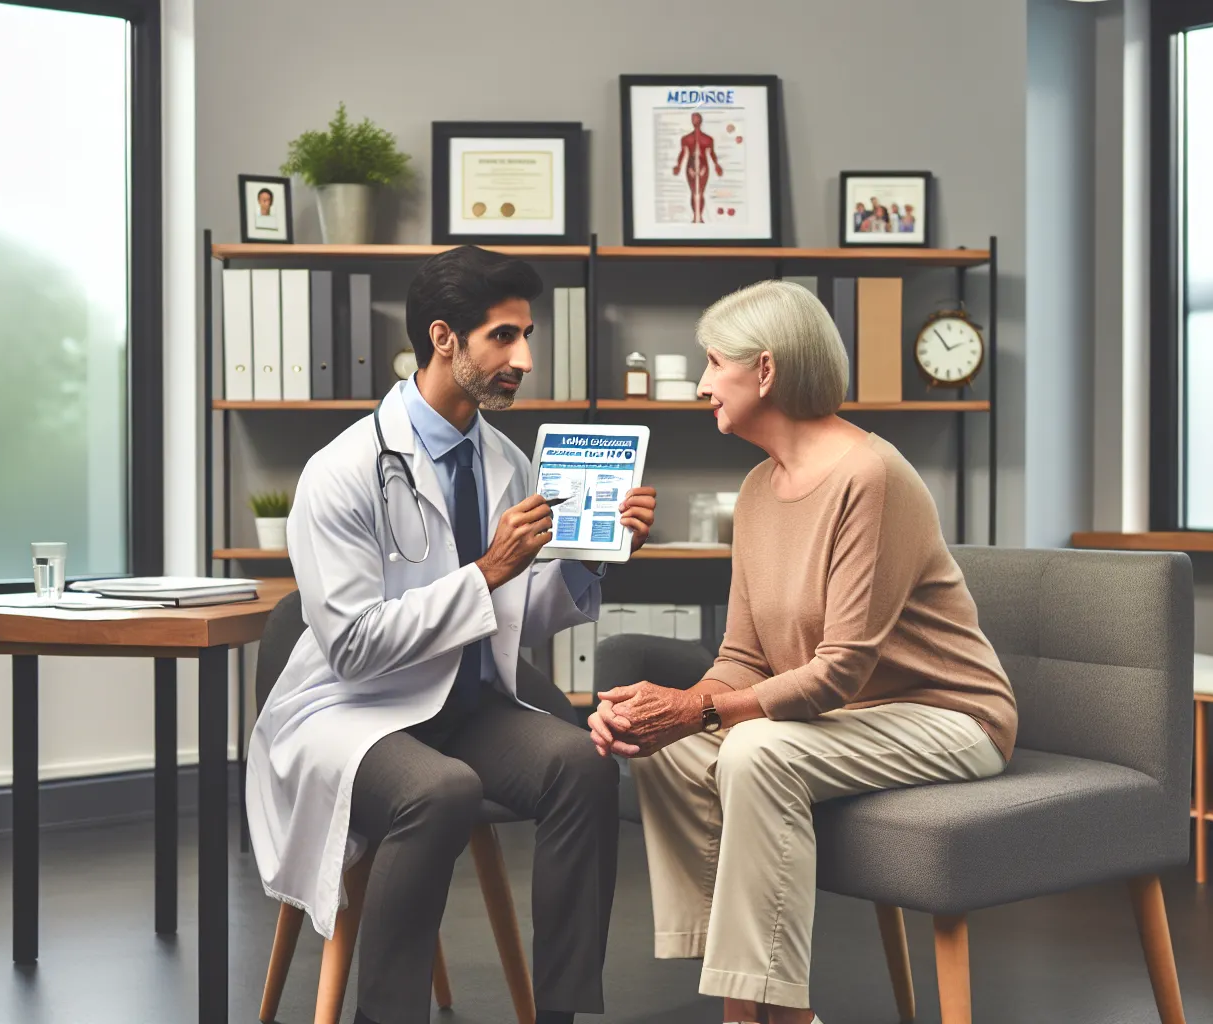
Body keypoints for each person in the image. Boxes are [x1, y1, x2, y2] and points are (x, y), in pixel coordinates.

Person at [248, 246, 658, 1024]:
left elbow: (513, 618)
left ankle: (563, 1013)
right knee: (442, 791)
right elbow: (354, 648)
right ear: (444, 339)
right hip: (354, 711)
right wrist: (489, 570)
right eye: (504, 338)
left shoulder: (506, 461)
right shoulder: (342, 471)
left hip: (462, 706)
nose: (525, 359)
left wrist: (592, 563)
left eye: (526, 336)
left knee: (582, 765)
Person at [588, 280, 1016, 1024]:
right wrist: (654, 714)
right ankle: (739, 988)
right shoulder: (758, 488)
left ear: (765, 370)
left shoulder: (870, 476)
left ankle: (772, 1013)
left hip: (949, 718)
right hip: (850, 719)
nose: (699, 385)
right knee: (664, 749)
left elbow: (842, 668)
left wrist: (697, 708)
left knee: (754, 751)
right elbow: (743, 656)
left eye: (713, 363)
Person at [673, 111, 723, 224]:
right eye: (692, 118)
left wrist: (716, 165)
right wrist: (678, 166)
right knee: (693, 192)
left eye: (695, 118)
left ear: (700, 120)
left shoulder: (708, 139)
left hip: (703, 167)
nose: (694, 120)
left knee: (700, 192)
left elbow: (711, 153)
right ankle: (695, 216)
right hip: (690, 167)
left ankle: (699, 217)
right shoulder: (686, 138)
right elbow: (683, 153)